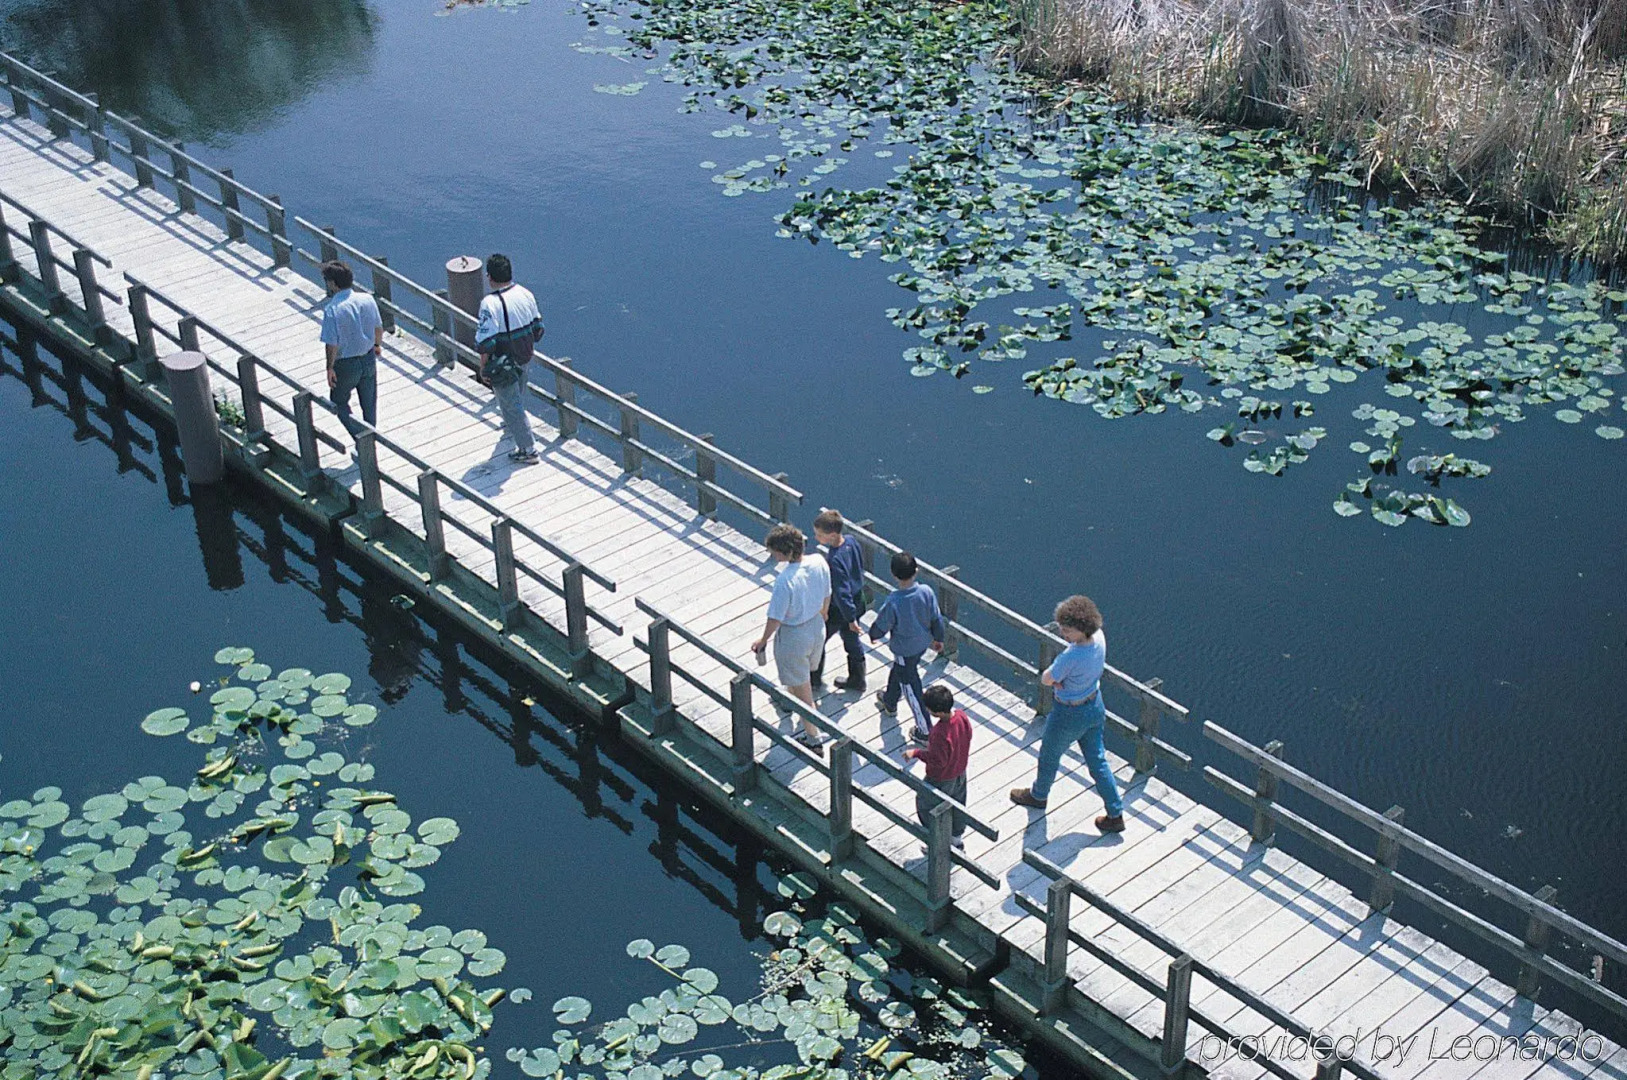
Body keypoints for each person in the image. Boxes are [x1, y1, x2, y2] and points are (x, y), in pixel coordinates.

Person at [1010, 595, 1125, 833]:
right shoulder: (1099, 638)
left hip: (1068, 713)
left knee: (1049, 755)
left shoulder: (1071, 656)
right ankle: (1115, 813)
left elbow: (1046, 679)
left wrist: (1058, 681)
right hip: (1094, 705)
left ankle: (1039, 796)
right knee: (1097, 759)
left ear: (1082, 629)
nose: (1064, 634)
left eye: (1068, 631)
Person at [749, 524, 832, 756]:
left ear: (784, 553)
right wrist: (822, 614)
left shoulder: (785, 580)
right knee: (801, 675)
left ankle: (814, 739)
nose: (773, 555)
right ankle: (787, 698)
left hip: (794, 635)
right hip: (816, 627)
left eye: (775, 552)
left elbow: (775, 617)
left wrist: (763, 640)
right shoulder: (819, 561)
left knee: (804, 690)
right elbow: (827, 593)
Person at [473, 253, 545, 465]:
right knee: (516, 399)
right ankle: (513, 429)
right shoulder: (526, 294)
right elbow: (538, 329)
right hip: (524, 356)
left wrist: (483, 366)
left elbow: (485, 341)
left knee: (511, 405)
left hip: (504, 362)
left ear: (490, 277)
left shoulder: (490, 303)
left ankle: (528, 449)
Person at [868, 550, 944, 743]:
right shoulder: (926, 591)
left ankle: (925, 731)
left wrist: (873, 634)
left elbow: (882, 625)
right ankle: (890, 701)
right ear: (916, 571)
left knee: (911, 686)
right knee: (900, 670)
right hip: (921, 645)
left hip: (905, 649)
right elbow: (936, 618)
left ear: (893, 575)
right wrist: (938, 638)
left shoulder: (894, 601)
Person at [318, 260, 383, 441]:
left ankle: (361, 439)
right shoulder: (367, 299)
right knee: (369, 404)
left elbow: (332, 343)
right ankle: (371, 437)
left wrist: (329, 368)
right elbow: (378, 327)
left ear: (332, 283)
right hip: (369, 358)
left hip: (346, 363)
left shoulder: (332, 310)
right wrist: (377, 345)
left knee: (339, 402)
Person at [903, 683, 972, 850]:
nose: (927, 711)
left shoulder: (940, 732)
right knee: (957, 805)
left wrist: (916, 753)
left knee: (927, 806)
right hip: (960, 772)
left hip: (940, 778)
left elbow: (938, 760)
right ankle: (956, 840)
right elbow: (968, 734)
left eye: (929, 709)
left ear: (938, 712)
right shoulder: (962, 716)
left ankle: (935, 842)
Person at [810, 509, 867, 692]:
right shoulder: (851, 541)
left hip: (840, 609)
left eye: (819, 534)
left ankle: (814, 680)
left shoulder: (834, 560)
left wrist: (850, 619)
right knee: (852, 641)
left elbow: (841, 593)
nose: (816, 537)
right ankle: (858, 679)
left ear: (832, 535)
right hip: (858, 599)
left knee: (817, 640)